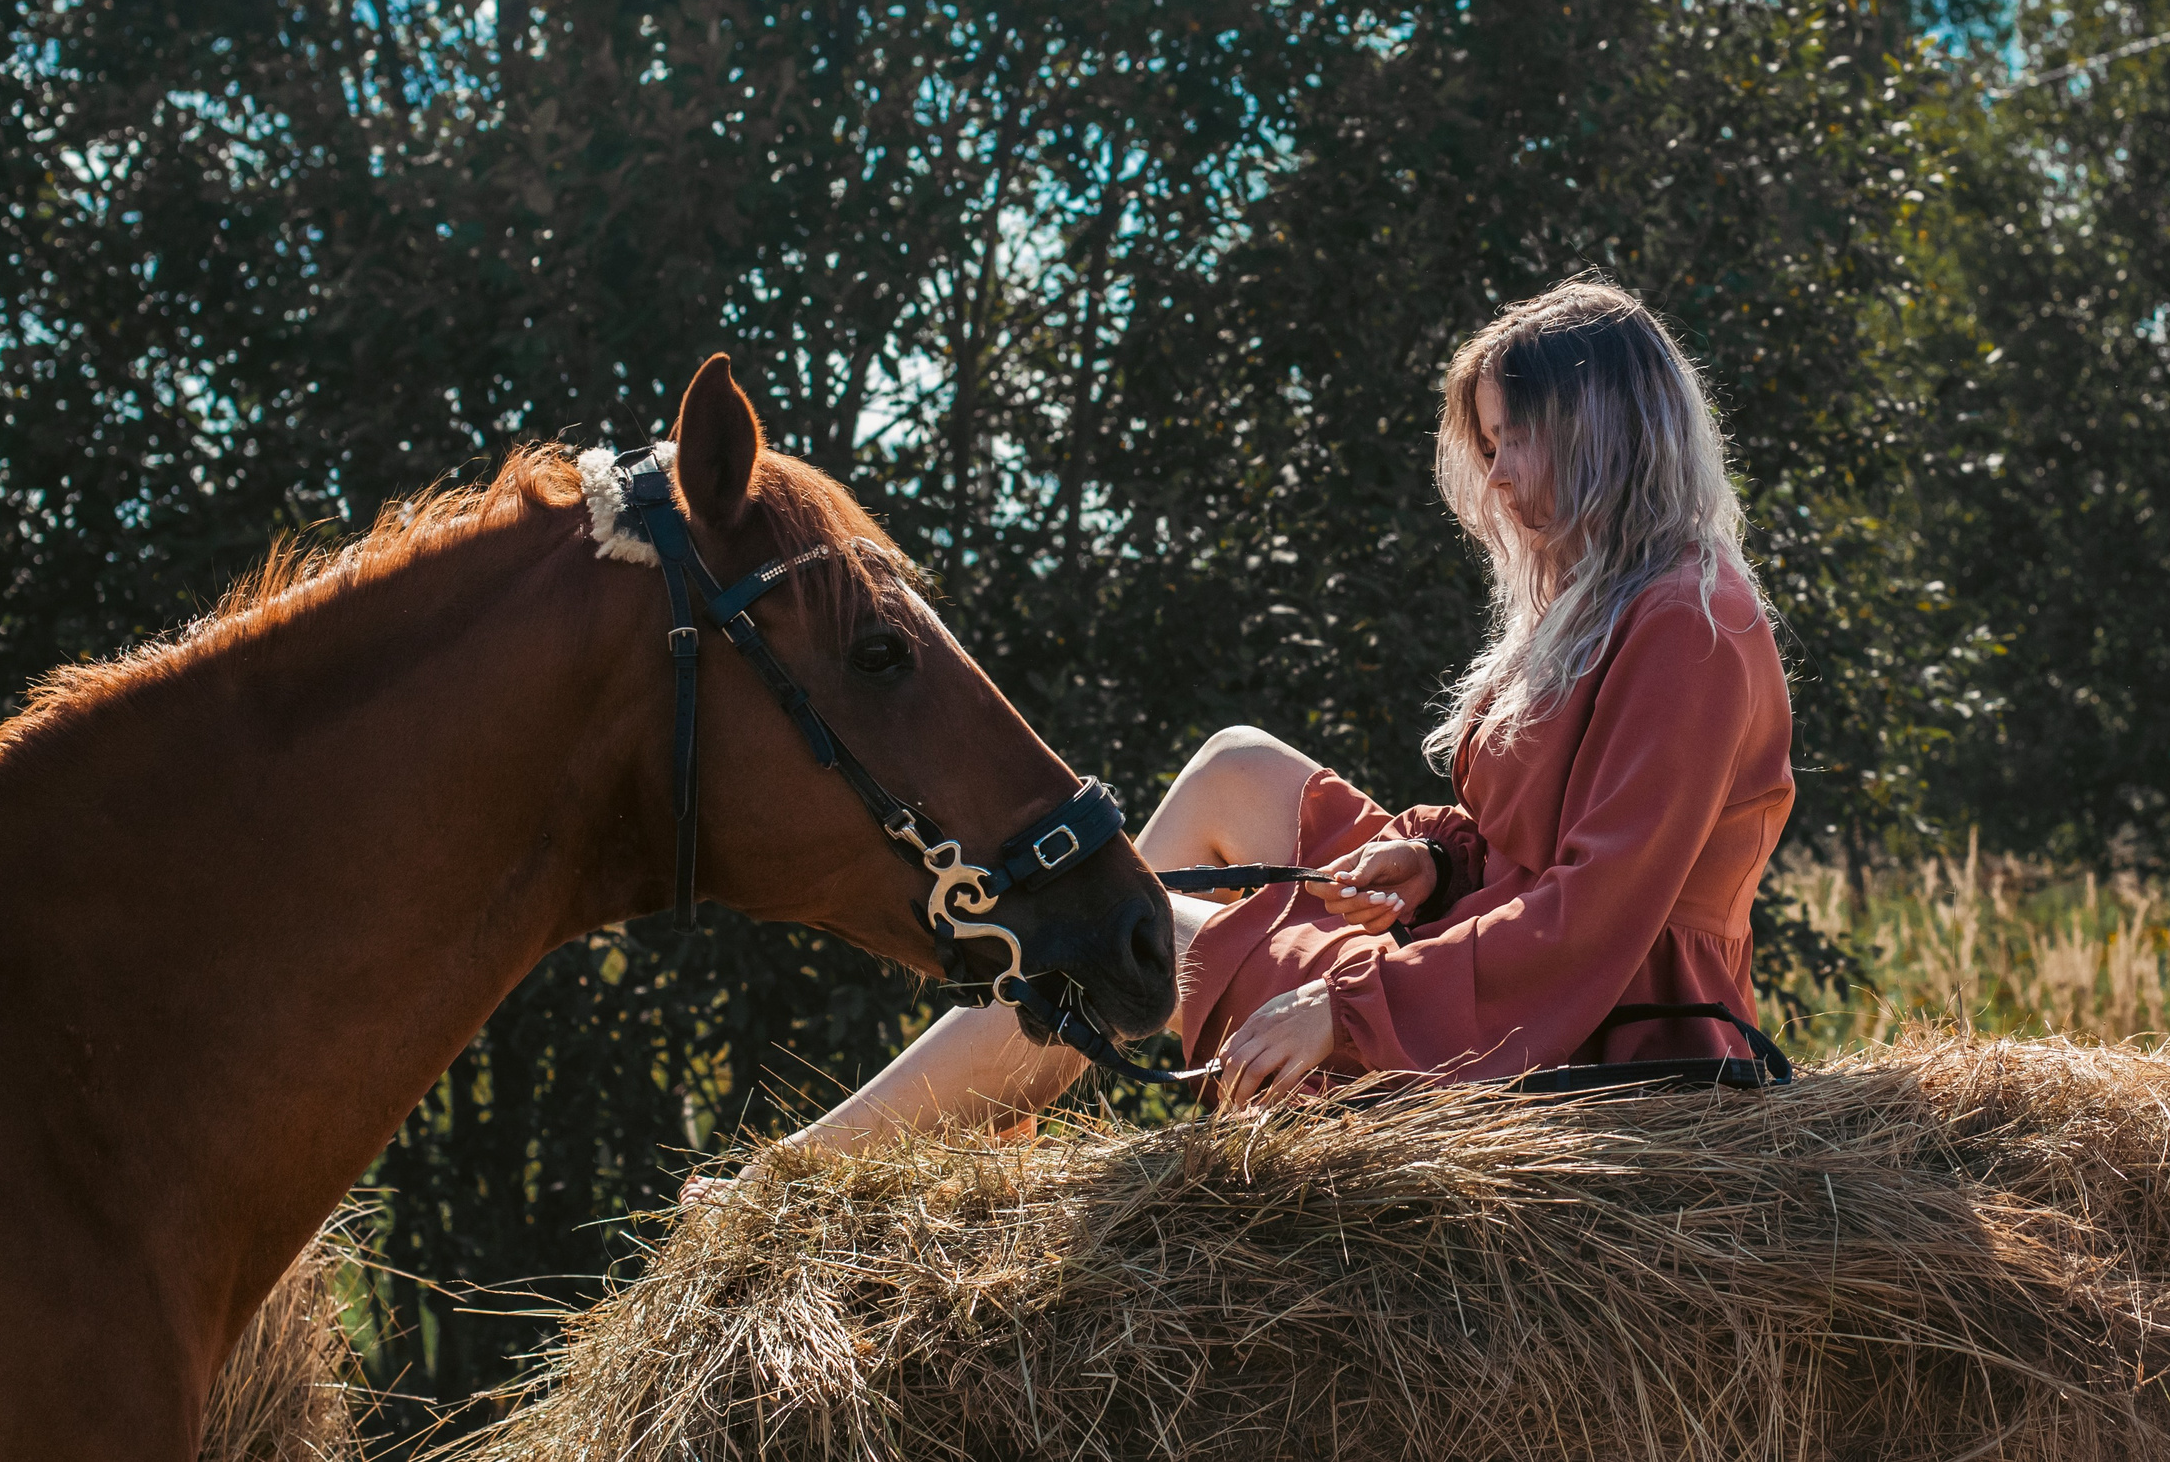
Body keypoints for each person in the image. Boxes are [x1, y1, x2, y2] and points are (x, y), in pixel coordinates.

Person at [703, 278, 1794, 1175]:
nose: (1497, 476)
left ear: (1601, 431)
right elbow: (1536, 837)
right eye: (1490, 443)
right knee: (1234, 765)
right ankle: (975, 1098)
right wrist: (1433, 857)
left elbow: (1597, 910)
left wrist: (1346, 1007)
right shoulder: (1610, 603)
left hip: (1592, 1028)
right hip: (1515, 955)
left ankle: (807, 1169)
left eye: (1516, 440)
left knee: (1125, 932)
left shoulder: (1689, 624)